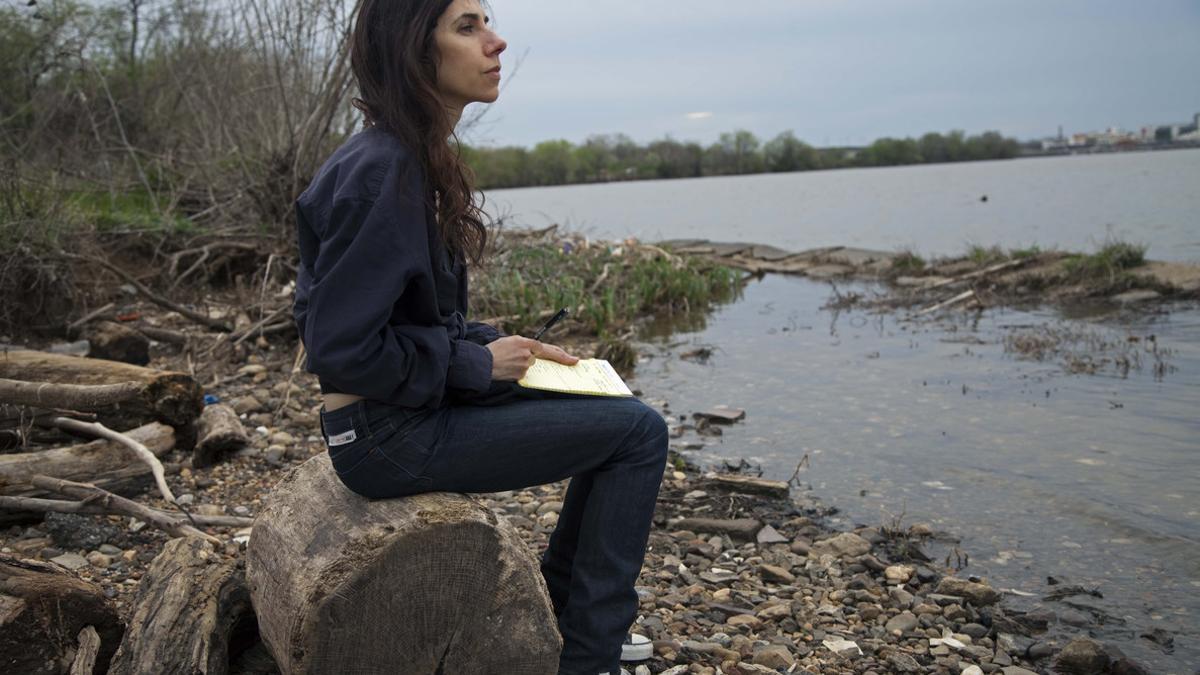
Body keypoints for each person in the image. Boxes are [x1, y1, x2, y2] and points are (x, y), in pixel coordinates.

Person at [291, 1, 668, 674]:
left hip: (402, 412)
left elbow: (415, 322)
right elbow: (339, 349)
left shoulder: (403, 156)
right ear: (414, 47)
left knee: (616, 414)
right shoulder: (383, 170)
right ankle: (591, 655)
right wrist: (474, 363)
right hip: (386, 437)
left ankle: (567, 614)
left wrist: (510, 350)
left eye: (486, 23)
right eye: (467, 27)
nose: (495, 42)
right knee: (638, 435)